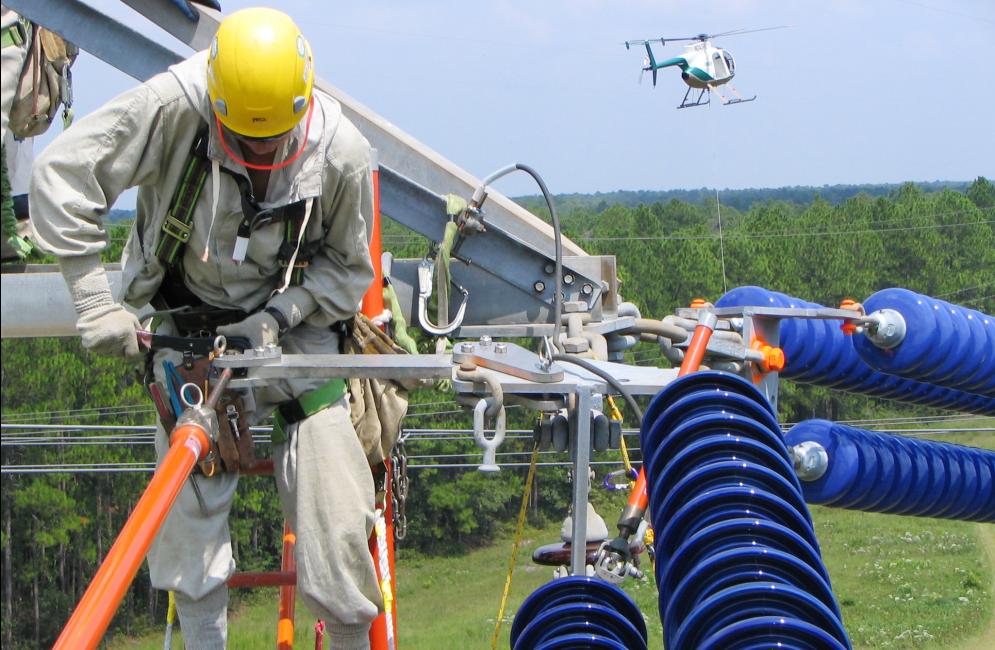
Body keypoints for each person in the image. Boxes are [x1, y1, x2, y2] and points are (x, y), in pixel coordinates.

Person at [30, 7, 382, 649]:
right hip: (183, 319)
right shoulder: (175, 106)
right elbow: (61, 175)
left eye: (271, 143)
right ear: (217, 101)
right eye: (243, 141)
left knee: (334, 495)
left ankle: (352, 634)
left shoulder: (340, 151)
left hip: (291, 323)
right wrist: (91, 300)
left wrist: (277, 318)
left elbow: (346, 269)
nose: (257, 155)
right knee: (189, 504)